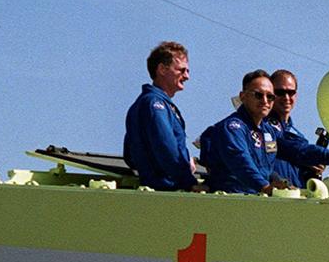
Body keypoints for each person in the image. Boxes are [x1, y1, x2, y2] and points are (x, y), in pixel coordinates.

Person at [123, 41, 203, 191]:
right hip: (167, 190)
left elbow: (130, 155)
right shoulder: (154, 104)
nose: (187, 76)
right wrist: (188, 181)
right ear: (162, 69)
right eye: (181, 70)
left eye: (188, 71)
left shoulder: (147, 104)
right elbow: (166, 146)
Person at [201, 70, 287, 195]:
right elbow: (240, 161)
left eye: (270, 97)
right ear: (243, 96)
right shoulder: (232, 128)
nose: (265, 101)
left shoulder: (268, 132)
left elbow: (268, 166)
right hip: (231, 200)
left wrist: (279, 182)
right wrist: (265, 186)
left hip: (256, 199)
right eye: (258, 95)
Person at [265, 69, 329, 187]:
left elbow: (302, 153)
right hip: (270, 197)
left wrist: (312, 167)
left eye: (291, 92)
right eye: (280, 92)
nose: (286, 97)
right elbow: (295, 150)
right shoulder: (263, 128)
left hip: (297, 198)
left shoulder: (297, 135)